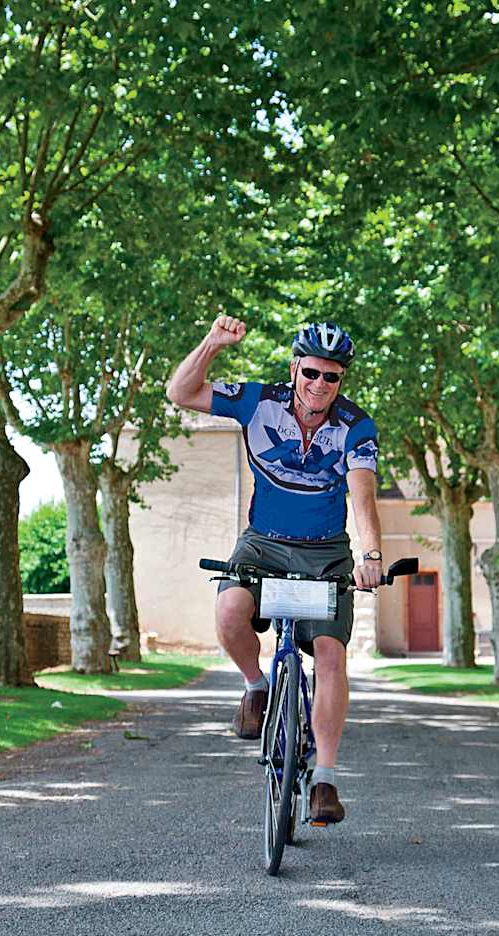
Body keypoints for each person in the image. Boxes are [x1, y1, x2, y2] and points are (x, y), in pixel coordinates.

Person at [166, 314, 383, 825]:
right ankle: (257, 686)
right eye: (311, 373)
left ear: (341, 381)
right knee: (228, 611)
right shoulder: (258, 402)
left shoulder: (356, 426)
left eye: (331, 377)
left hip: (325, 551)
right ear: (294, 369)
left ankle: (325, 780)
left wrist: (370, 556)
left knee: (330, 656)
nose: (319, 385)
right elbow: (180, 392)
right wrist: (213, 344)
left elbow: (363, 496)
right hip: (262, 545)